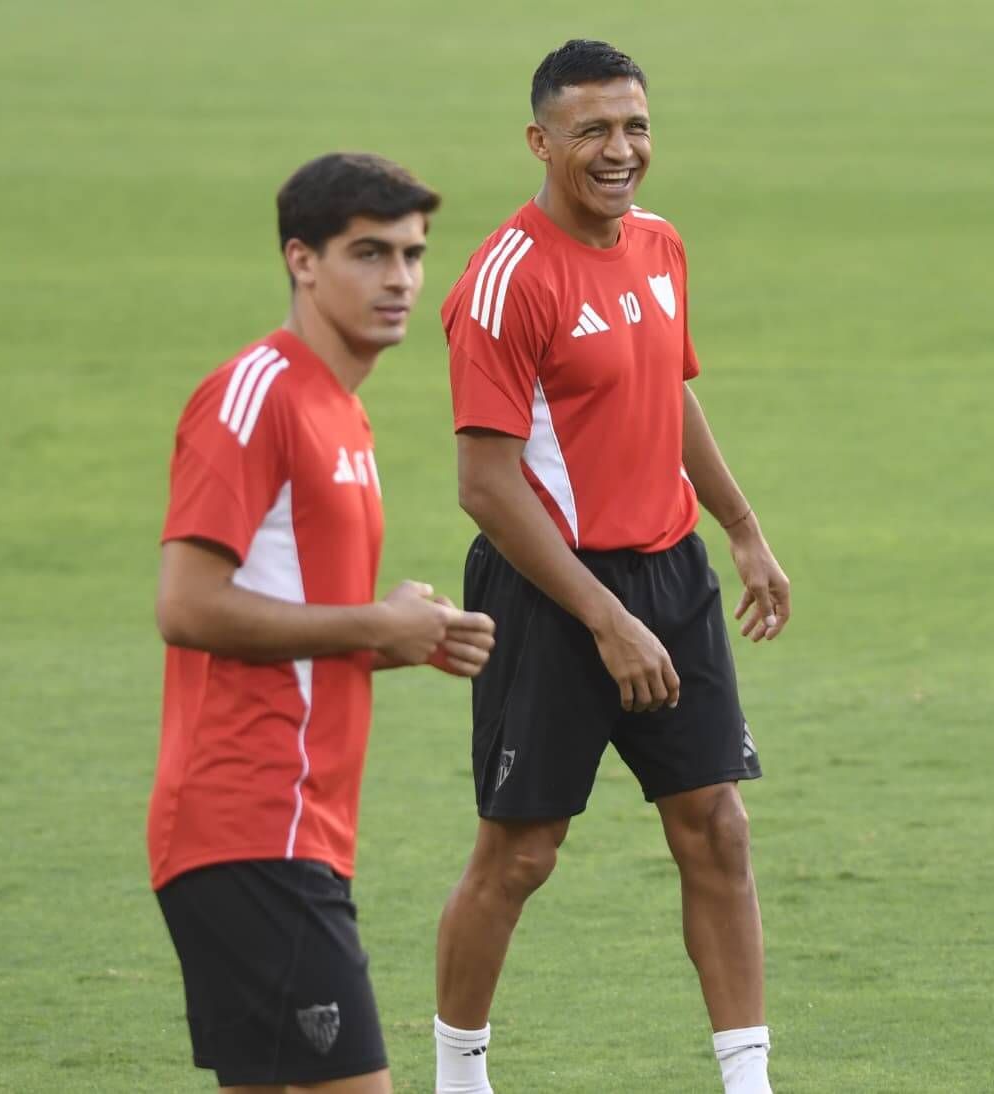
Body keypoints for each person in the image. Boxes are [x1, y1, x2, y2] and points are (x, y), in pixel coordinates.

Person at [432, 39, 792, 1094]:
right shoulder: (505, 281)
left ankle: (748, 1082)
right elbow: (485, 483)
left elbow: (664, 388)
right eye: (591, 129)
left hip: (670, 575)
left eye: (634, 125)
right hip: (549, 591)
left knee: (715, 828)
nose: (619, 148)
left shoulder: (660, 245)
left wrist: (741, 526)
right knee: (522, 852)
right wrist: (603, 617)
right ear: (540, 141)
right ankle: (458, 1076)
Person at [149, 152, 496, 1094]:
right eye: (369, 253)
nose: (400, 279)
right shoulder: (255, 395)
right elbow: (186, 604)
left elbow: (296, 620)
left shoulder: (341, 413)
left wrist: (399, 636)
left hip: (295, 827)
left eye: (413, 254)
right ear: (302, 260)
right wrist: (375, 622)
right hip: (251, 821)